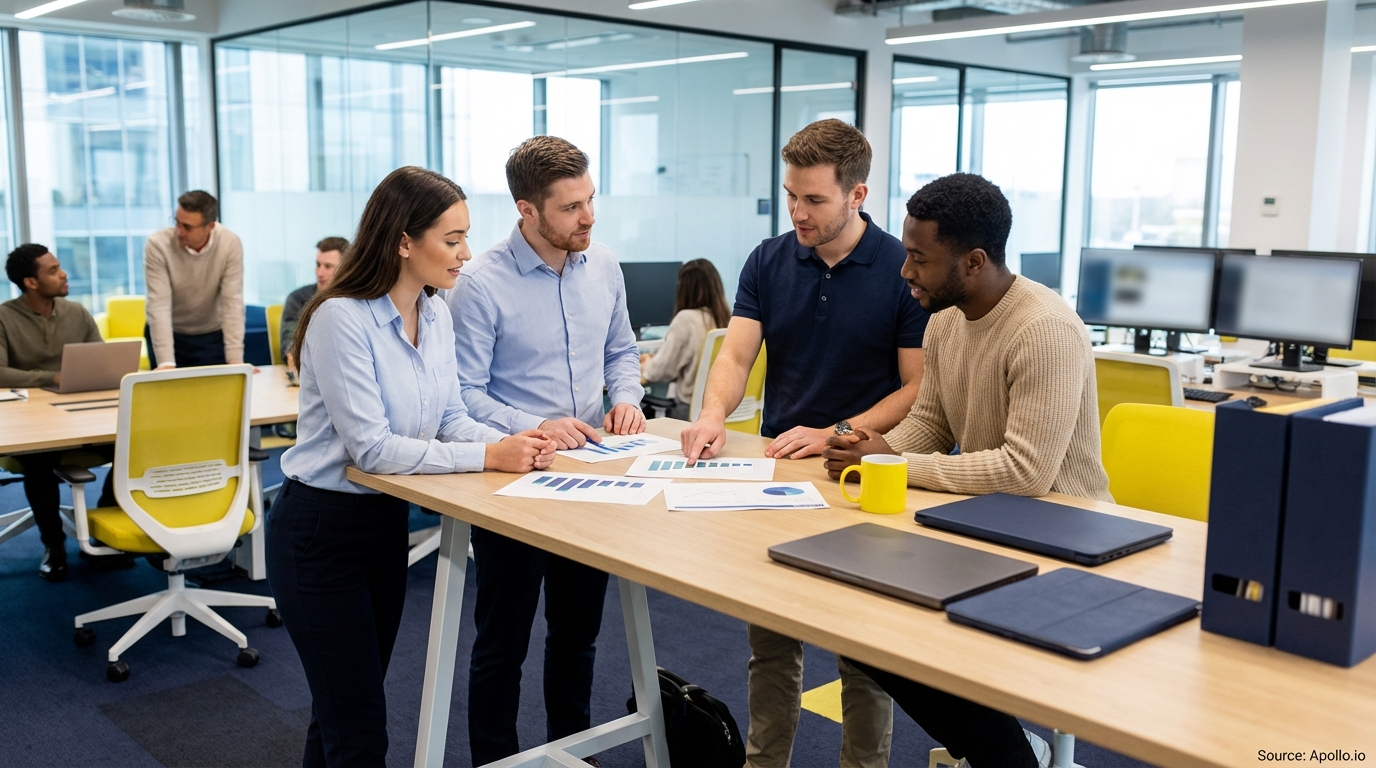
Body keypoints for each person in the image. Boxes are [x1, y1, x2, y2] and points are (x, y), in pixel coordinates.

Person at [268, 166, 555, 766]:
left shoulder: (437, 314)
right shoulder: (338, 317)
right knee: (361, 730)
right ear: (404, 241)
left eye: (466, 237)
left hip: (381, 526)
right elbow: (372, 448)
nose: (466, 254)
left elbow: (450, 417)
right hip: (319, 531)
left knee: (343, 711)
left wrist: (516, 441)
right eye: (452, 240)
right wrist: (487, 456)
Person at [823, 173, 1112, 767]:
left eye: (919, 259)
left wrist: (894, 463)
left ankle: (1010, 760)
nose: (905, 272)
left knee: (911, 639)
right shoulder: (946, 320)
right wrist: (867, 454)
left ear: (974, 261)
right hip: (987, 526)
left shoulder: (1045, 329)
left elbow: (1026, 472)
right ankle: (1005, 754)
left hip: (1063, 540)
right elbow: (929, 426)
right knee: (865, 635)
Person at [679, 119, 930, 768]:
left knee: (863, 652)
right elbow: (736, 355)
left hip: (859, 476)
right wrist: (711, 412)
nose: (798, 211)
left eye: (814, 199)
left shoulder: (902, 272)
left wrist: (835, 431)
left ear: (857, 195)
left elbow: (915, 386)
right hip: (780, 473)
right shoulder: (768, 258)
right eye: (791, 194)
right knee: (771, 642)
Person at [449, 135, 645, 765]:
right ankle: (494, 759)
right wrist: (538, 424)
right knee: (502, 642)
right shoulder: (478, 284)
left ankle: (573, 751)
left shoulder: (605, 263)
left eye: (590, 200)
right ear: (526, 210)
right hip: (516, 482)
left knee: (577, 634)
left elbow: (621, 349)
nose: (587, 217)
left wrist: (627, 397)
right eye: (570, 208)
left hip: (593, 478)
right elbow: (463, 394)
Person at [1, 244, 117, 582]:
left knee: (131, 449)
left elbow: (102, 362)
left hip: (80, 417)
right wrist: (50, 377)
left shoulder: (77, 313)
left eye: (59, 267)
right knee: (39, 462)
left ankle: (104, 534)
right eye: (52, 270)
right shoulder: (4, 317)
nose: (63, 274)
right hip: (30, 427)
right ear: (31, 282)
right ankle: (53, 545)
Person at [143, 190, 244, 369]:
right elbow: (158, 306)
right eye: (177, 222)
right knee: (168, 393)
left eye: (187, 227)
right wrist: (166, 362)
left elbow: (232, 303)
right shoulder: (158, 244)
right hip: (169, 334)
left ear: (210, 226)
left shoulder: (230, 243)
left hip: (211, 335)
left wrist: (235, 360)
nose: (179, 232)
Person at [639, 258, 731, 420]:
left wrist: (645, 366)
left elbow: (661, 370)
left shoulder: (686, 319)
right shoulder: (726, 319)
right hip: (724, 411)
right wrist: (654, 356)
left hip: (690, 413)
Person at [281, 236, 346, 367]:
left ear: (345, 267)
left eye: (328, 266)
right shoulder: (298, 299)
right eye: (318, 265)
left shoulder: (356, 301)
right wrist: (293, 353)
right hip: (306, 371)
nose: (320, 273)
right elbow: (289, 340)